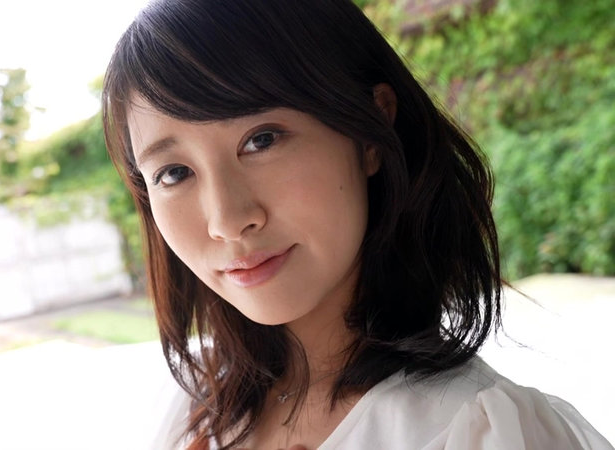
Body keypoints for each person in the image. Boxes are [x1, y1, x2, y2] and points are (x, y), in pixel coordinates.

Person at [101, 0, 613, 448]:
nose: (228, 221)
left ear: (369, 132)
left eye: (262, 140)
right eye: (173, 173)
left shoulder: (477, 431)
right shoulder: (188, 410)